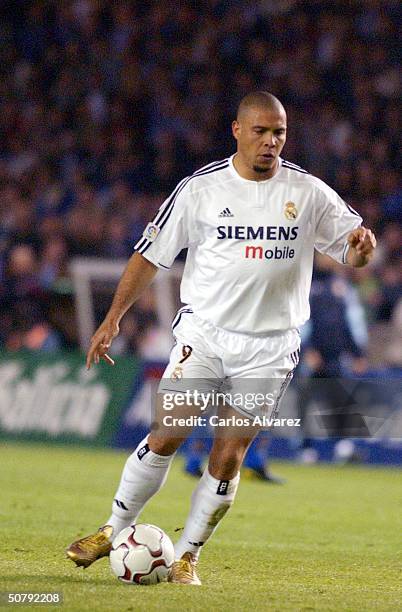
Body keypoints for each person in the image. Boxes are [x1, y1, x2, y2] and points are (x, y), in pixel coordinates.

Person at [66, 91, 376, 584]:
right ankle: (113, 528)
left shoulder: (310, 192)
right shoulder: (200, 190)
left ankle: (188, 555)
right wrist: (112, 318)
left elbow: (353, 254)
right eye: (260, 131)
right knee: (167, 433)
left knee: (228, 454)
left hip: (271, 347)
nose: (270, 142)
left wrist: (362, 251)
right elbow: (149, 255)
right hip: (205, 335)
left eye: (279, 132)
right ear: (237, 130)